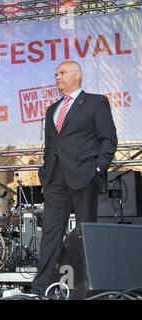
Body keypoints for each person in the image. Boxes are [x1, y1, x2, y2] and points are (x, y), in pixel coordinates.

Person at [30, 61, 117, 295]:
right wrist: (46, 174)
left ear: (77, 76)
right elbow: (50, 146)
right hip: (56, 181)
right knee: (50, 235)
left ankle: (87, 288)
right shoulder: (52, 110)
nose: (57, 76)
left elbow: (109, 139)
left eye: (62, 72)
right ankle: (40, 289)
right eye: (56, 74)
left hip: (84, 176)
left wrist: (98, 169)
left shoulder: (96, 102)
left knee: (84, 232)